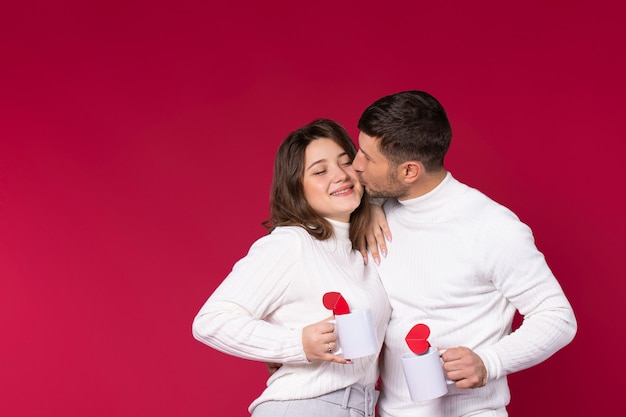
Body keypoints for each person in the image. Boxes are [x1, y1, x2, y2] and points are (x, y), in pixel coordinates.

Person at [351, 90, 577, 417]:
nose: (355, 165)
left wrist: (490, 362)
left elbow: (557, 317)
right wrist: (369, 205)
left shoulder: (490, 227)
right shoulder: (379, 209)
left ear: (409, 171)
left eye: (367, 157)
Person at [192, 118, 391, 417]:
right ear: (297, 188)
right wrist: (297, 344)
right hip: (305, 407)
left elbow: (399, 188)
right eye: (321, 171)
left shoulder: (359, 249)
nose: (340, 175)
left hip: (357, 407)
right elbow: (210, 321)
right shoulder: (292, 243)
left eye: (346, 162)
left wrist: (376, 204)